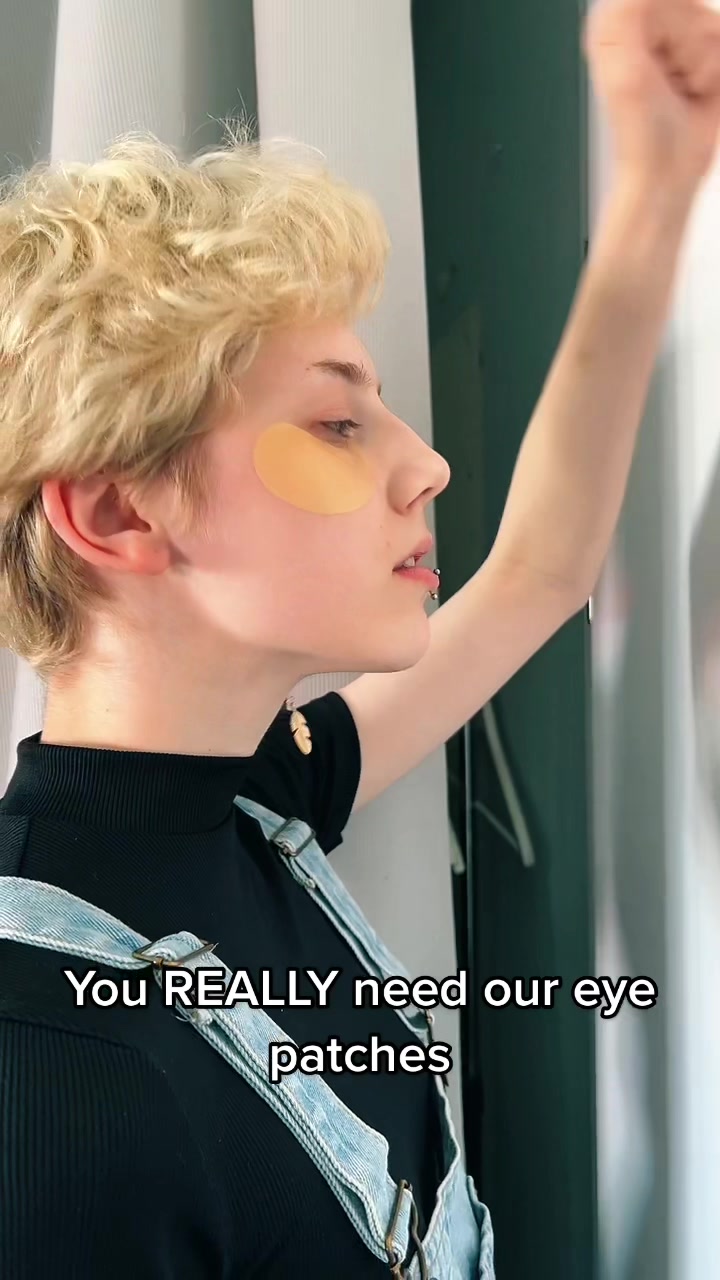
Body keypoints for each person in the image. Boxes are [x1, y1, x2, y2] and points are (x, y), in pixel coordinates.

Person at [1, 1, 719, 1276]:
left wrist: (659, 180)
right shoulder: (49, 1080)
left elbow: (538, 574)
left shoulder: (251, 795)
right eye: (339, 425)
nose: (428, 465)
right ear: (117, 513)